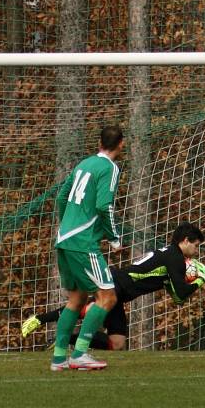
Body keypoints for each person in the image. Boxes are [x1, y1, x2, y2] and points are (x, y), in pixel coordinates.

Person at [23, 222, 205, 350]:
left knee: (117, 343)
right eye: (196, 245)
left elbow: (177, 298)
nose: (196, 251)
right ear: (185, 240)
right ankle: (40, 319)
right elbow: (183, 294)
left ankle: (60, 340)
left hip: (120, 290)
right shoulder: (175, 257)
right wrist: (200, 279)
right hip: (116, 284)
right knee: (86, 308)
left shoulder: (170, 254)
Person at [49, 125, 129, 371]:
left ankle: (59, 358)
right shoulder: (110, 168)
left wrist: (68, 224)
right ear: (121, 144)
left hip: (64, 238)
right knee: (108, 296)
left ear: (99, 143)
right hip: (83, 243)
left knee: (77, 299)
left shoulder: (83, 164)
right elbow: (105, 206)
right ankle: (80, 353)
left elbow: (61, 197)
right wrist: (114, 239)